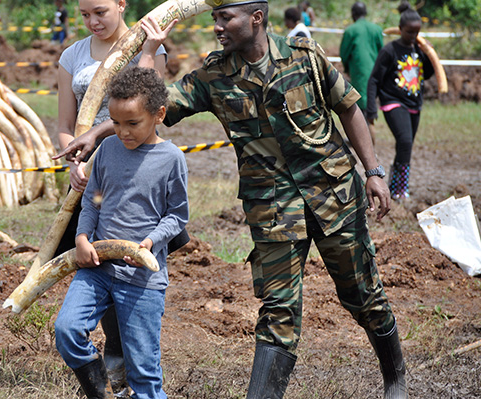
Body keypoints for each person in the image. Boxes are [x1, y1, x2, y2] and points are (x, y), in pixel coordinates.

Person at [54, 0, 408, 397]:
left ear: (256, 18)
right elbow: (153, 105)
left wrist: (374, 171)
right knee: (278, 312)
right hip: (273, 209)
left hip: (334, 197)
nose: (218, 27)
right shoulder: (214, 75)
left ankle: (395, 380)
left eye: (226, 18)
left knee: (363, 296)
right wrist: (103, 128)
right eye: (214, 18)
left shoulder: (305, 57)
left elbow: (349, 109)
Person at [54, 0, 183, 394]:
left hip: (137, 176)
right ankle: (105, 380)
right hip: (90, 176)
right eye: (84, 15)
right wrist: (76, 162)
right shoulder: (71, 55)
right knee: (93, 268)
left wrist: (148, 50)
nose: (93, 21)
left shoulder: (148, 44)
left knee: (131, 294)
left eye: (100, 12)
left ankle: (127, 373)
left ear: (121, 4)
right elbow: (65, 123)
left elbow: (145, 98)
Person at [366, 3, 435, 202]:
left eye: (417, 32)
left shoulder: (419, 51)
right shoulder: (390, 50)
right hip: (393, 102)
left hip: (414, 104)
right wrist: (371, 108)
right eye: (409, 32)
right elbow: (374, 80)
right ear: (400, 28)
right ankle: (400, 191)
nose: (413, 36)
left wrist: (429, 54)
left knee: (406, 146)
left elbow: (426, 74)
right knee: (404, 141)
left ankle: (395, 186)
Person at [340, 2, 384, 144]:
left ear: (353, 14)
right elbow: (381, 51)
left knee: (359, 106)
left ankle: (365, 141)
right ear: (365, 13)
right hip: (376, 72)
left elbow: (344, 53)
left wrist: (347, 68)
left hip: (359, 73)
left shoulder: (350, 31)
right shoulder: (376, 29)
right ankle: (363, 139)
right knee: (370, 103)